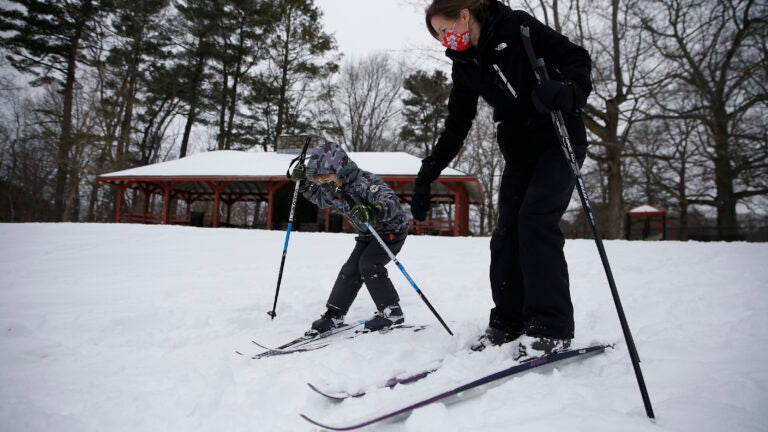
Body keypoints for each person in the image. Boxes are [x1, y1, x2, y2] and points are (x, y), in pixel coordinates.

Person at [414, 0, 592, 358]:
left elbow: (576, 57)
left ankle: (551, 326)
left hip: (558, 138)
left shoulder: (518, 28)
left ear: (465, 15)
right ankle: (509, 321)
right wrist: (427, 172)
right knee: (506, 233)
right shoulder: (465, 65)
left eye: (445, 29)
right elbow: (456, 125)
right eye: (437, 36)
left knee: (536, 221)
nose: (444, 40)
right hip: (520, 151)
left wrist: (569, 90)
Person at [291, 141, 410, 334]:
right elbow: (320, 199)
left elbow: (391, 202)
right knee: (351, 268)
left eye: (325, 177)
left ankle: (392, 311)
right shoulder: (332, 188)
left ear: (339, 169)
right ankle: (335, 314)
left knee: (369, 264)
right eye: (318, 179)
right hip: (367, 233)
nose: (322, 182)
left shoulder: (365, 182)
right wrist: (303, 185)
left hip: (391, 231)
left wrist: (372, 211)